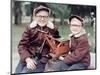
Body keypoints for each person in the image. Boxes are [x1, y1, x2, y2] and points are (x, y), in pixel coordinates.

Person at [15, 5, 60, 73]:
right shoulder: (30, 28)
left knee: (25, 72)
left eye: (45, 17)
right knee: (17, 72)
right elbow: (22, 45)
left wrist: (52, 29)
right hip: (28, 56)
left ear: (48, 17)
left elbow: (57, 44)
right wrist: (27, 59)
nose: (42, 19)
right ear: (35, 17)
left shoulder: (52, 29)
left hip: (42, 58)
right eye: (40, 16)